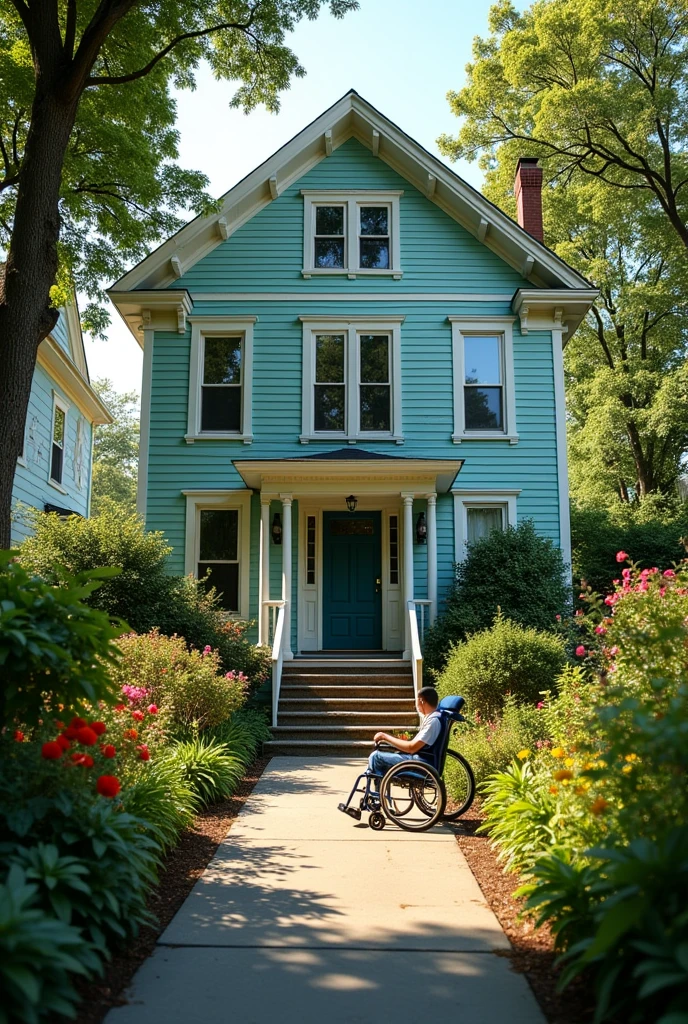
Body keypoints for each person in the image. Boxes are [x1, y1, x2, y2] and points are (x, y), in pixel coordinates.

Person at [367, 685, 441, 784]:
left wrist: (385, 737)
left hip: (420, 764)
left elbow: (411, 748)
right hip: (420, 759)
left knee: (376, 757)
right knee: (380, 758)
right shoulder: (435, 717)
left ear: (421, 701)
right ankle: (378, 790)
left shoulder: (433, 722)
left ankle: (377, 794)